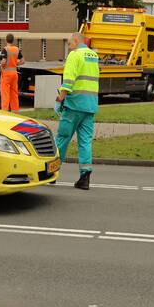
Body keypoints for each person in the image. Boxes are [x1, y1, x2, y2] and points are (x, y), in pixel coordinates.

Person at [55, 32, 100, 190]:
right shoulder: (93, 55)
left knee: (62, 138)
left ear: (76, 41)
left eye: (69, 43)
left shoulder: (74, 55)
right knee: (85, 142)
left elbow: (68, 80)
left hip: (74, 105)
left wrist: (60, 98)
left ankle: (52, 172)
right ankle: (85, 177)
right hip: (90, 106)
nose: (68, 47)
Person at [0, 33, 23, 112]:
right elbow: (23, 61)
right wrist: (15, 63)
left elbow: (4, 61)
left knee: (5, 94)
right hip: (14, 74)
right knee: (14, 94)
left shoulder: (5, 49)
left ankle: (4, 112)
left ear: (6, 40)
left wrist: (1, 65)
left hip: (6, 75)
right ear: (13, 40)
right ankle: (15, 111)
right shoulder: (16, 49)